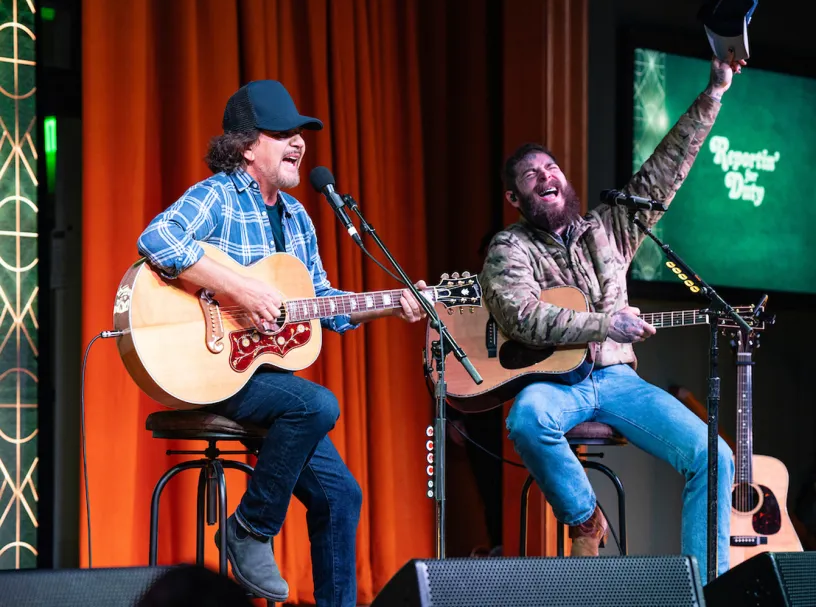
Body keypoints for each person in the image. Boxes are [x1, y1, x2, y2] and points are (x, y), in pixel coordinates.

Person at [137, 80, 427, 606]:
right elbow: (158, 239)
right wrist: (237, 287)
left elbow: (322, 305)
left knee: (342, 497)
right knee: (317, 402)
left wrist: (392, 302)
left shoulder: (297, 218)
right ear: (248, 146)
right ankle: (250, 528)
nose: (298, 143)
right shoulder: (218, 195)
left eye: (300, 134)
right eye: (283, 133)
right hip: (210, 370)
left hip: (265, 378)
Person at [479, 56, 744, 584]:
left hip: (619, 380)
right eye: (531, 176)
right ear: (515, 198)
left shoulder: (609, 228)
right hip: (558, 383)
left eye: (551, 168)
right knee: (527, 419)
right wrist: (605, 324)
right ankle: (585, 518)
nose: (545, 176)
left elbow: (666, 168)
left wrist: (714, 91)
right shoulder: (508, 247)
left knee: (715, 457)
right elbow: (525, 317)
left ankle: (707, 591)